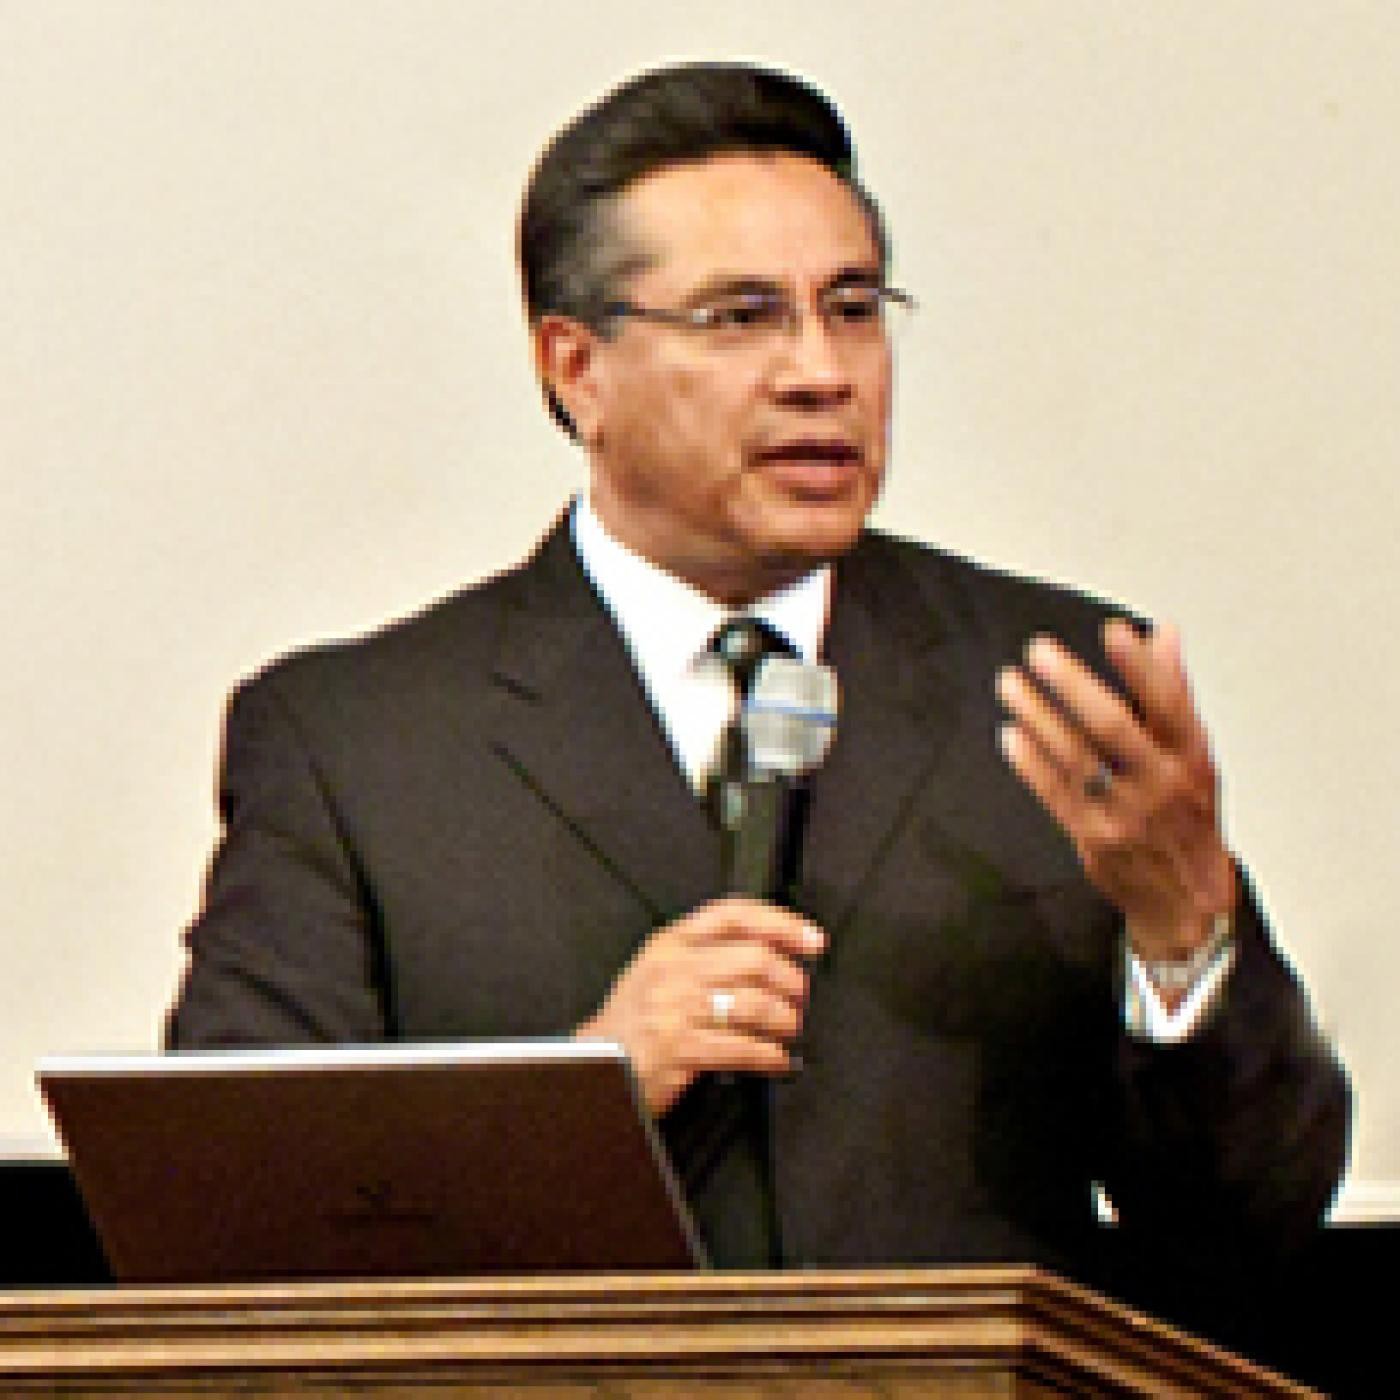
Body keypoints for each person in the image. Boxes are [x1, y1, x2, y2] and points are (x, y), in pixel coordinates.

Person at [166, 63, 1347, 1293]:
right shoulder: (356, 742)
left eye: (852, 308)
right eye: (740, 317)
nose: (819, 372)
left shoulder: (1049, 694)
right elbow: (234, 1220)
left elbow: (1248, 1223)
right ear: (575, 368)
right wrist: (581, 1093)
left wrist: (1183, 933)